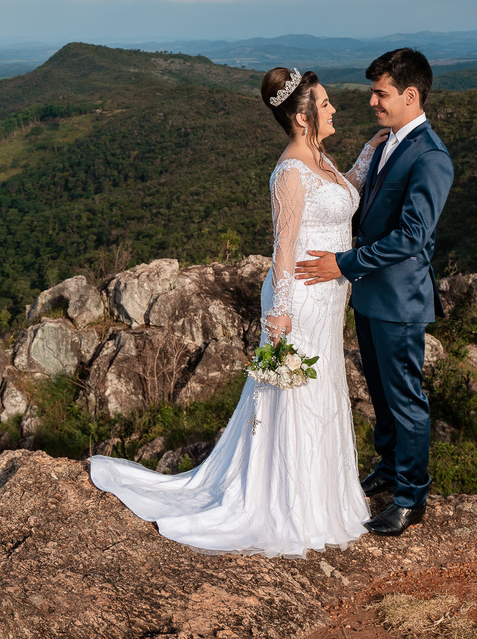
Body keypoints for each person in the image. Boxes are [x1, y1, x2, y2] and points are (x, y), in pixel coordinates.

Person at [88, 67, 388, 557]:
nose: (333, 108)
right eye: (325, 103)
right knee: (297, 395)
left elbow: (343, 197)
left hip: (328, 298)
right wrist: (280, 316)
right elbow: (283, 247)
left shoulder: (319, 158)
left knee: (320, 388)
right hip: (300, 299)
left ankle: (320, 496)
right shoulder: (289, 171)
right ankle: (290, 504)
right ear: (302, 117)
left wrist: (369, 153)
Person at [295, 48, 453, 537]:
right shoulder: (388, 141)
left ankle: (411, 496)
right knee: (382, 395)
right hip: (370, 295)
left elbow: (412, 237)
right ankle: (388, 469)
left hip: (399, 301)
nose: (371, 102)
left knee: (405, 399)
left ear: (410, 95)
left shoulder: (430, 156)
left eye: (381, 93)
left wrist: (343, 263)